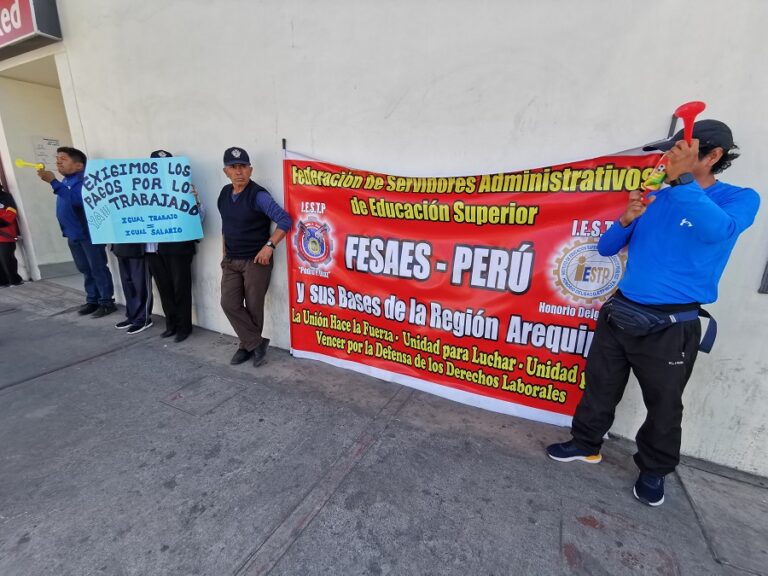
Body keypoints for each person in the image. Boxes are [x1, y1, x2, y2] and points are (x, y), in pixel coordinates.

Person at [546, 120, 760, 507]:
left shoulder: (738, 199)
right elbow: (609, 248)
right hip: (621, 311)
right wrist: (627, 218)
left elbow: (717, 231)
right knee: (600, 385)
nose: (669, 158)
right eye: (670, 151)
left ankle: (654, 470)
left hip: (671, 325)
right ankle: (586, 443)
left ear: (712, 156)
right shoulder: (657, 195)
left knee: (663, 403)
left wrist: (680, 184)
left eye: (680, 151)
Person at [217, 146, 292, 366]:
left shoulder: (259, 196)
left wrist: (269, 246)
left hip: (256, 261)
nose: (238, 171)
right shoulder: (223, 194)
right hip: (231, 261)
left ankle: (246, 346)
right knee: (228, 303)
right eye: (233, 167)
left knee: (253, 306)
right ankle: (256, 343)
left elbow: (285, 221)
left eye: (243, 167)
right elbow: (226, 227)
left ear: (251, 170)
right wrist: (223, 255)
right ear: (226, 172)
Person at [38, 147, 116, 317]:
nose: (58, 162)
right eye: (57, 158)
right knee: (85, 269)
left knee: (97, 268)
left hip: (88, 234)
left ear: (79, 166)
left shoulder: (84, 181)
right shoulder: (66, 181)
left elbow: (77, 200)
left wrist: (53, 182)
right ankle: (92, 299)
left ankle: (107, 302)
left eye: (63, 159)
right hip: (73, 234)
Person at [145, 150, 205, 343]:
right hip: (153, 249)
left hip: (178, 248)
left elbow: (199, 219)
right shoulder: (143, 190)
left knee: (181, 288)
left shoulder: (184, 188)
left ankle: (183, 327)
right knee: (164, 289)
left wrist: (194, 200)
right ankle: (171, 324)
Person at [0, 184, 24, 287]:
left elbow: (11, 213)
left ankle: (15, 280)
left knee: (7, 259)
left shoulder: (5, 197)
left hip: (6, 235)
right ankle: (3, 282)